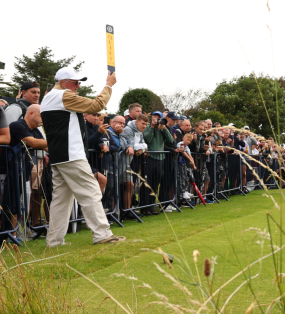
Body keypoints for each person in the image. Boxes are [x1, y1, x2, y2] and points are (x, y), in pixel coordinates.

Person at [39, 67, 125, 246]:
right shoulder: (63, 96)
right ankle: (102, 234)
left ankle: (54, 241)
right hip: (71, 154)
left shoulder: (47, 97)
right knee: (92, 191)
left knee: (61, 200)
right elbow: (96, 105)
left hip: (59, 155)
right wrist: (108, 85)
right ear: (63, 83)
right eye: (75, 82)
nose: (78, 85)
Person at [9, 104, 48, 237]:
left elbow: (45, 145)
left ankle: (18, 233)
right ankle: (11, 235)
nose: (44, 118)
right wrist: (58, 141)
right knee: (12, 203)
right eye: (42, 114)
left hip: (23, 172)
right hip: (9, 171)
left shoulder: (35, 129)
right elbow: (34, 143)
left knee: (23, 202)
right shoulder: (17, 125)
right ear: (31, 114)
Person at [142, 114, 175, 214]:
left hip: (160, 159)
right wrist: (152, 127)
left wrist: (164, 128)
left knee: (155, 185)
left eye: (159, 119)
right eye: (155, 119)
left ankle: (151, 205)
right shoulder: (148, 128)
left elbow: (171, 140)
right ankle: (144, 207)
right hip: (150, 159)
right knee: (147, 184)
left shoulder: (162, 130)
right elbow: (147, 139)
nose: (158, 121)